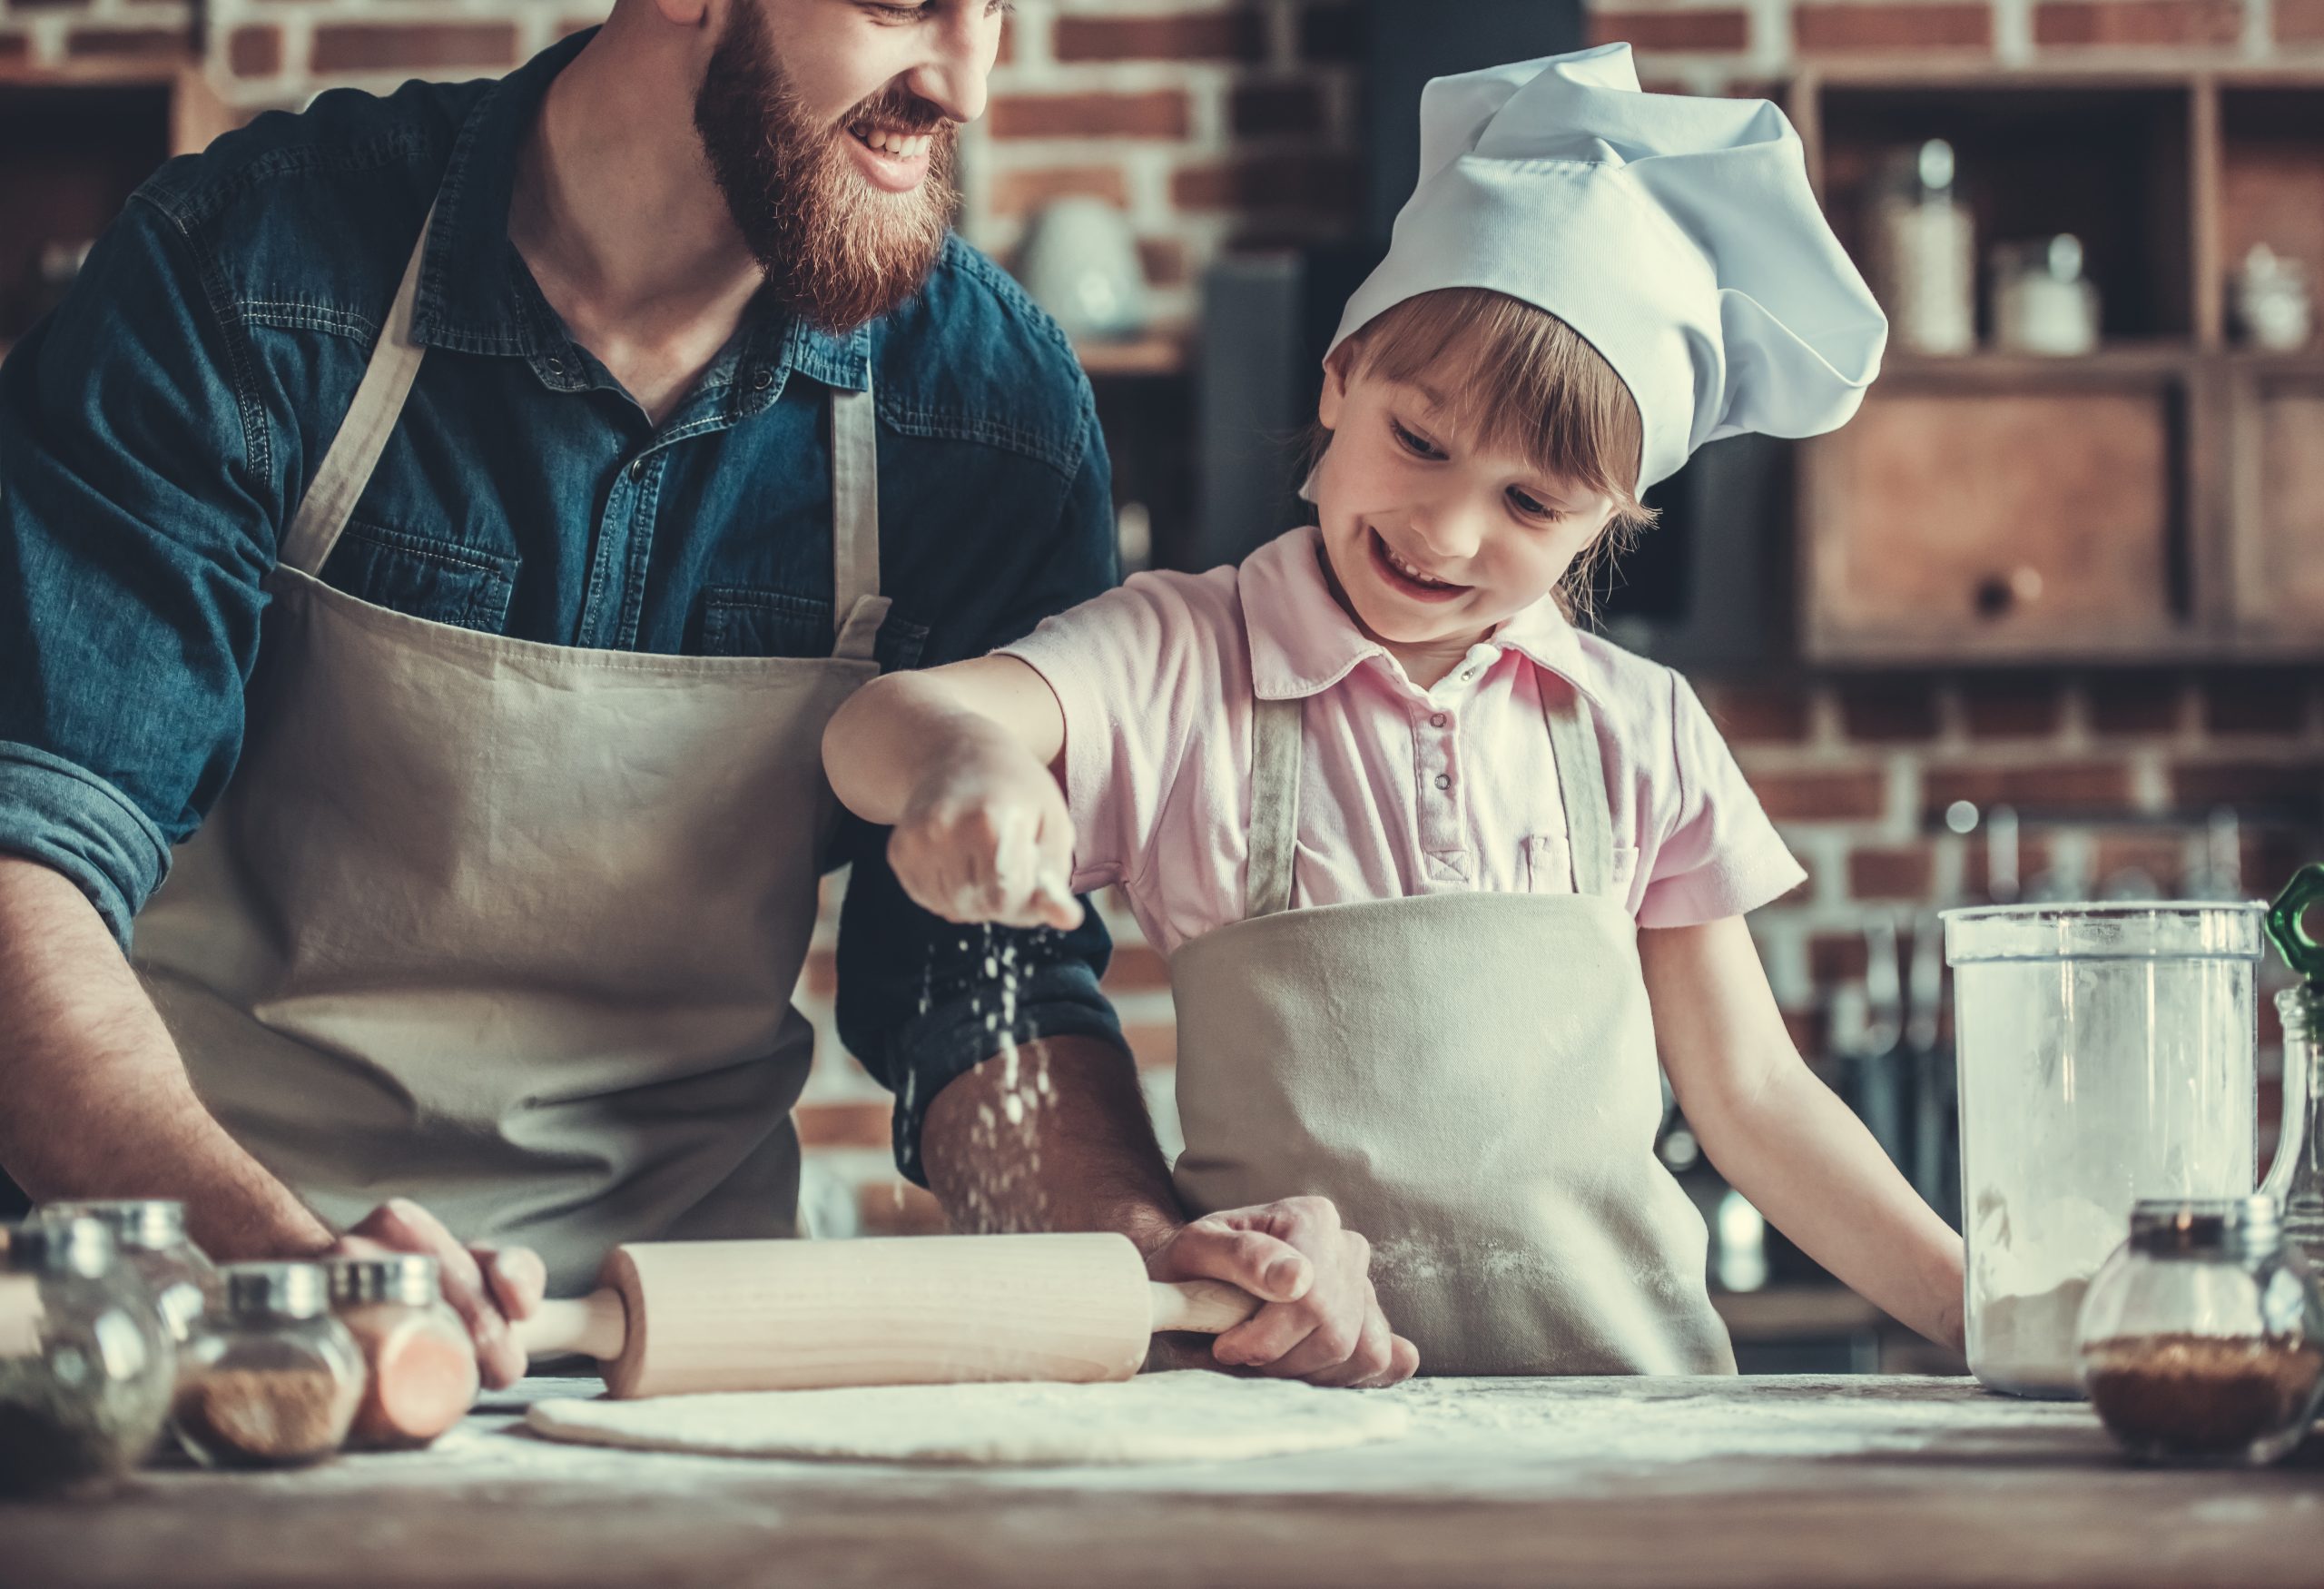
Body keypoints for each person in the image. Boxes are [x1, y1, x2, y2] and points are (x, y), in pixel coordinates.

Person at [0, 0, 1395, 1390]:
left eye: (996, 13)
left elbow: (981, 993)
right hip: (218, 1327)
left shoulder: (987, 413)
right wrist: (300, 1277)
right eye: (905, 5)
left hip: (671, 1356)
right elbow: (31, 864)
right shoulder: (247, 276)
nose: (963, 82)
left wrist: (1153, 1254)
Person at [823, 44, 1968, 1376]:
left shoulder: (1638, 728)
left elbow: (1755, 1097)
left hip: (1624, 1424)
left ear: (1611, 522)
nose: (1446, 526)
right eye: (1418, 441)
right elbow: (874, 733)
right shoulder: (1187, 659)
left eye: (1532, 504)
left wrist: (1975, 1306)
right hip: (1294, 1417)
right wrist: (971, 762)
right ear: (1339, 376)